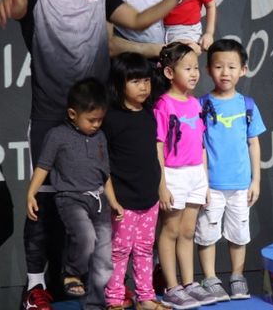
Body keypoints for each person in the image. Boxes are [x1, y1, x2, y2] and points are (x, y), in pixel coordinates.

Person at [0, 0, 188, 310]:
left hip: (99, 121)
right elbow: (18, 3)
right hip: (51, 118)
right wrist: (7, 5)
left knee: (102, 206)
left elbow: (134, 18)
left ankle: (110, 290)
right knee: (46, 202)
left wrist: (172, 0)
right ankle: (34, 288)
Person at [25, 78, 123, 309]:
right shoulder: (57, 136)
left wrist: (114, 201)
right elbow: (43, 166)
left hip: (99, 201)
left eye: (100, 119)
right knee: (86, 237)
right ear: (72, 113)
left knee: (104, 259)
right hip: (71, 199)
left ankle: (95, 304)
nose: (97, 124)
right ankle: (71, 273)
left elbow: (105, 174)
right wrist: (31, 193)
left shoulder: (100, 138)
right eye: (91, 120)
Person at [195, 39, 266, 301]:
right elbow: (199, 147)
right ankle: (210, 279)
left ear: (243, 70)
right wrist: (201, 184)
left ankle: (238, 276)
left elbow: (254, 143)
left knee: (239, 234)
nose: (225, 72)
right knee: (207, 234)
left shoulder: (247, 104)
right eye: (218, 66)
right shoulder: (200, 105)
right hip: (211, 186)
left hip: (240, 185)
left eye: (232, 67)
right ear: (207, 69)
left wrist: (255, 180)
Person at [102, 53, 168, 310]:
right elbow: (103, 162)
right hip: (122, 201)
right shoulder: (110, 118)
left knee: (144, 249)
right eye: (135, 81)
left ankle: (146, 298)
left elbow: (155, 155)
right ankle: (114, 299)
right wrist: (113, 199)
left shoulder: (150, 114)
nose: (143, 86)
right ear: (119, 84)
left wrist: (160, 187)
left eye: (146, 80)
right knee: (119, 251)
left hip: (148, 197)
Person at [153, 43, 216, 309]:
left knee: (188, 231)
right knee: (170, 230)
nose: (194, 74)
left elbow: (201, 145)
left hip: (195, 175)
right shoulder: (163, 105)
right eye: (187, 68)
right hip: (173, 174)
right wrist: (162, 185)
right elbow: (157, 146)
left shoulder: (194, 103)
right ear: (169, 72)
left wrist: (206, 183)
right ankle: (172, 286)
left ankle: (190, 283)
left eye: (195, 68)